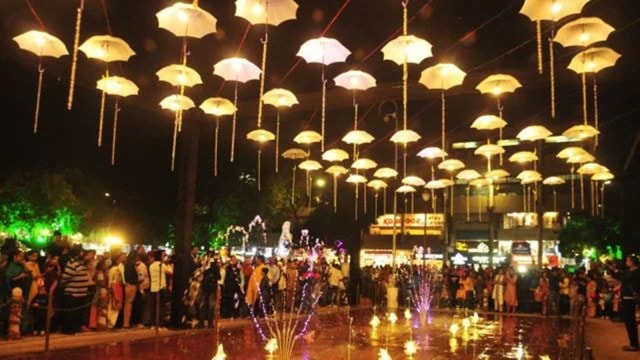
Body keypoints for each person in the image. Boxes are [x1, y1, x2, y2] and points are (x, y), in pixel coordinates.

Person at [619, 255, 640, 352]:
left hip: (630, 298)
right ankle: (633, 342)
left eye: (628, 260)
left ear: (632, 262)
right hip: (626, 298)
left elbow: (626, 280)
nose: (626, 262)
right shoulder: (629, 272)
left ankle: (634, 344)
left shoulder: (634, 273)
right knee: (629, 322)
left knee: (630, 321)